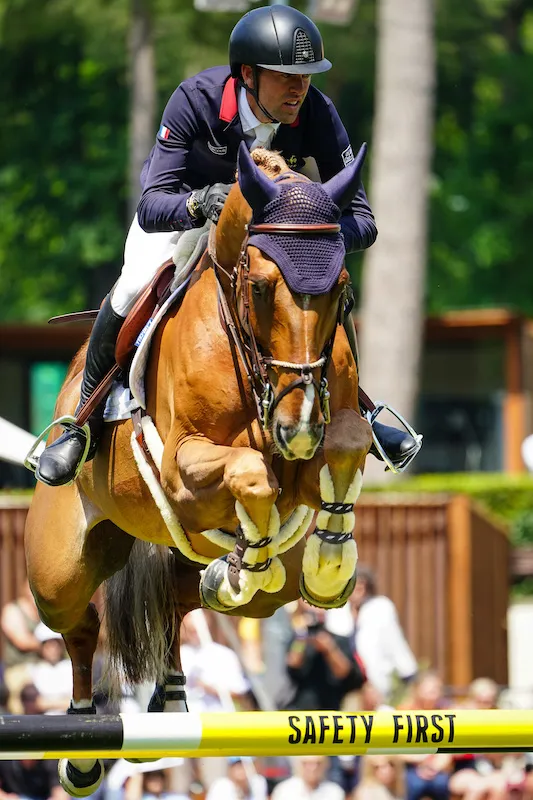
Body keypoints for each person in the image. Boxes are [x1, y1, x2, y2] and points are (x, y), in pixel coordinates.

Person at [35, 3, 421, 488]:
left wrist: (308, 238)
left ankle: (359, 404)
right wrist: (199, 201)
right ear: (248, 75)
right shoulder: (195, 99)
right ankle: (81, 423)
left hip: (274, 236)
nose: (299, 88)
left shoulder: (317, 112)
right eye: (286, 76)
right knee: (132, 286)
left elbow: (362, 219)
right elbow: (153, 204)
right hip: (186, 222)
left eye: (305, 76)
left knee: (318, 292)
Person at [348, 565, 418, 703]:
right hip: (350, 687)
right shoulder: (340, 611)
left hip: (379, 685)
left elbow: (394, 642)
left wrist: (407, 672)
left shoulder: (380, 608)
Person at [284, 602, 366, 711]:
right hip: (300, 710)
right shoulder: (300, 640)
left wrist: (329, 649)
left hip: (329, 711)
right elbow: (293, 663)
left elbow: (346, 673)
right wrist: (301, 634)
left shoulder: (338, 640)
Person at [271, 756, 344, 800]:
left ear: (325, 765)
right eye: (307, 763)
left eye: (317, 763)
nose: (313, 768)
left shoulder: (334, 791)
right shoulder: (284, 790)